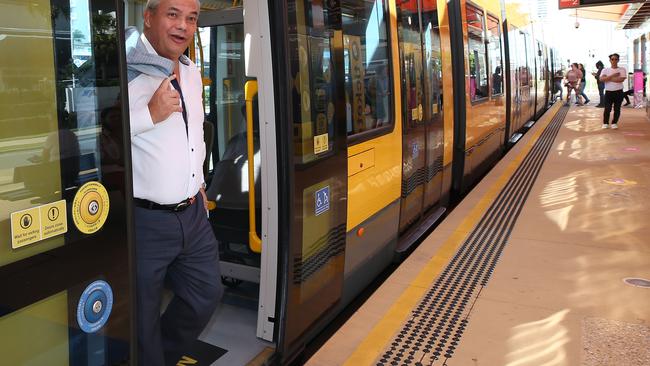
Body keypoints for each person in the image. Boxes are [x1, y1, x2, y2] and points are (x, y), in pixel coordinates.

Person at [127, 0, 223, 364]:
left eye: (191, 18)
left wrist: (198, 182)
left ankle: (159, 358)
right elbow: (103, 139)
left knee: (205, 294)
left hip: (193, 213)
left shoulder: (192, 72)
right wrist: (150, 114)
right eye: (172, 14)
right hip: (146, 220)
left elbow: (193, 135)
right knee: (143, 317)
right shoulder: (127, 72)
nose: (183, 25)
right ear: (148, 17)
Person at [599, 53, 627, 129]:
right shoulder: (605, 70)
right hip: (608, 92)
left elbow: (621, 80)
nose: (614, 61)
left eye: (615, 59)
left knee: (617, 109)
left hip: (618, 92)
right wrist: (613, 76)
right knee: (607, 108)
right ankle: (605, 123)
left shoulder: (622, 69)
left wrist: (607, 78)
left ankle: (614, 123)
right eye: (612, 59)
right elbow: (601, 79)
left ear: (618, 60)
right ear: (610, 60)